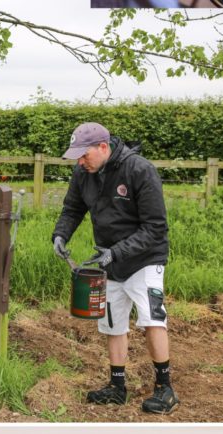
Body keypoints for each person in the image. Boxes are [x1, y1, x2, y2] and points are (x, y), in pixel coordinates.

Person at [53, 122, 174, 413]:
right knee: (112, 321)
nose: (81, 162)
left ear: (103, 147)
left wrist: (116, 253)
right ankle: (117, 387)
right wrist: (60, 234)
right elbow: (72, 208)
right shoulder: (84, 172)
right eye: (78, 157)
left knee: (152, 319)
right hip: (109, 258)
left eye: (84, 155)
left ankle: (165, 388)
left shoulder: (139, 170)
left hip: (145, 258)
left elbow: (155, 228)